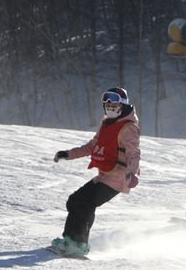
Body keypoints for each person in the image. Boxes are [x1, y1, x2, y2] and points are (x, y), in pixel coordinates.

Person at [51, 87, 140, 256]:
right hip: (106, 175)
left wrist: (132, 173)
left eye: (114, 107)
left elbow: (134, 153)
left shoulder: (129, 128)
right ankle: (70, 239)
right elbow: (92, 146)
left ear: (123, 106)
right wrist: (68, 154)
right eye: (108, 107)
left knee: (85, 203)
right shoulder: (107, 123)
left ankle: (79, 243)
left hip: (120, 176)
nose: (111, 110)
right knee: (75, 200)